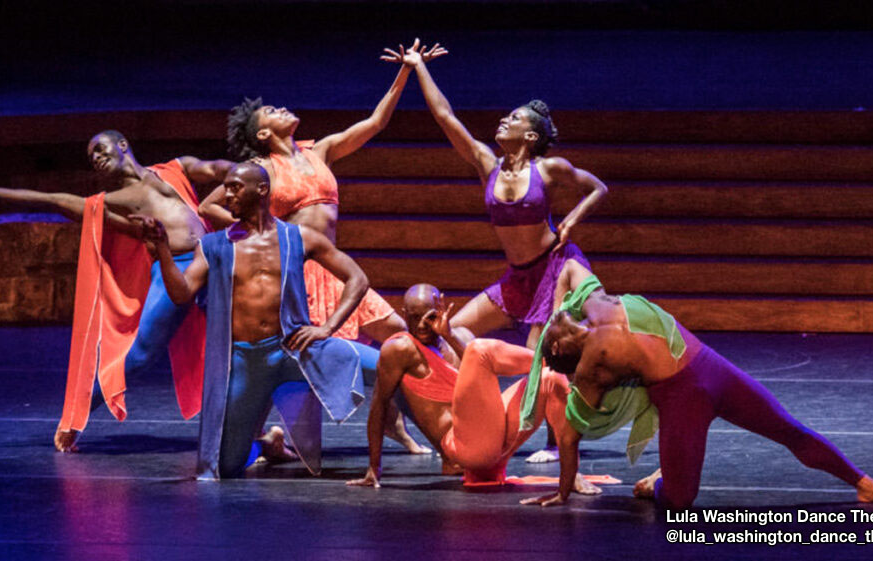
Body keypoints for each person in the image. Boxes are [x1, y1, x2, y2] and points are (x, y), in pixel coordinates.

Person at [201, 41, 449, 455]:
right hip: (299, 274)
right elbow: (209, 206)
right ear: (263, 134)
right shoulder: (262, 170)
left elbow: (375, 123)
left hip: (333, 269)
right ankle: (259, 443)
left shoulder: (322, 150)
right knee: (299, 363)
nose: (282, 110)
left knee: (402, 339)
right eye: (272, 113)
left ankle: (428, 423)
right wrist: (264, 237)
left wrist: (406, 71)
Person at [525, 261, 873, 509]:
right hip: (681, 398)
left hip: (711, 367)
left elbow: (570, 267)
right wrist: (563, 491)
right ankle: (660, 482)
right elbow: (571, 434)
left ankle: (863, 483)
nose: (554, 316)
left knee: (788, 428)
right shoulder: (593, 364)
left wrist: (558, 299)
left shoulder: (592, 300)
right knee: (679, 501)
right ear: (558, 344)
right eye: (550, 328)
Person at [385, 40, 609, 463]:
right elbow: (446, 117)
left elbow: (598, 188)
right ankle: (474, 409)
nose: (503, 120)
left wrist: (574, 220)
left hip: (554, 269)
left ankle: (554, 440)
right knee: (452, 333)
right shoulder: (486, 165)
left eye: (514, 118)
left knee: (545, 354)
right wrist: (417, 68)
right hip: (517, 277)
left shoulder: (549, 169)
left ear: (530, 135)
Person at [0, 131, 236, 452]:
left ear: (123, 145)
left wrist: (266, 170)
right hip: (175, 268)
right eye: (90, 157)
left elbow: (222, 169)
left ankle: (257, 433)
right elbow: (54, 200)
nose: (95, 157)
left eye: (99, 148)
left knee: (237, 349)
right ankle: (77, 415)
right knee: (140, 356)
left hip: (215, 258)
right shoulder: (113, 203)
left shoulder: (176, 168)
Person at [136, 161, 369, 478]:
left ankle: (450, 436)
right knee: (227, 466)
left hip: (294, 348)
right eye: (226, 188)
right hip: (246, 361)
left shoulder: (298, 237)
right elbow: (182, 293)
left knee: (390, 364)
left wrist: (328, 327)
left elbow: (357, 278)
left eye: (234, 187)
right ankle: (266, 445)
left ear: (261, 190)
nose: (226, 195)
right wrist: (162, 249)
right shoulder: (213, 245)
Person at [346, 283, 598, 494]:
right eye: (413, 318)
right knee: (480, 351)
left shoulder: (460, 336)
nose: (422, 325)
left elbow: (477, 371)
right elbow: (378, 406)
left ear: (441, 305)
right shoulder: (400, 348)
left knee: (550, 378)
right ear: (404, 314)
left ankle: (572, 474)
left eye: (430, 316)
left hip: (494, 445)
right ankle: (551, 357)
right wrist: (373, 468)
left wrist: (450, 336)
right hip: (467, 450)